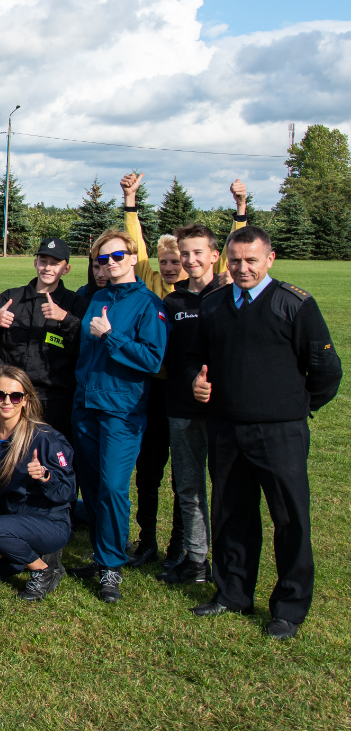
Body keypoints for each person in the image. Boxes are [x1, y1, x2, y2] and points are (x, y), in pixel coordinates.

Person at [186, 226, 341, 640]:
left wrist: (296, 407)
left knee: (289, 519)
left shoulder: (294, 304)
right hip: (226, 428)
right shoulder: (215, 303)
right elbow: (194, 358)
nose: (242, 268)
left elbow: (326, 369)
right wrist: (196, 383)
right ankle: (233, 593)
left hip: (279, 433)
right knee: (231, 514)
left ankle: (288, 609)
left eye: (251, 260)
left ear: (269, 259)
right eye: (235, 260)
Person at [120, 174, 248, 567]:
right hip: (165, 393)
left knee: (207, 483)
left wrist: (240, 211)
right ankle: (165, 546)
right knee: (166, 476)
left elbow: (231, 253)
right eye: (172, 260)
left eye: (187, 258)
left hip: (212, 398)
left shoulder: (225, 291)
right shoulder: (166, 295)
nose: (180, 264)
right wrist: (130, 202)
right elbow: (138, 249)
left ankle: (194, 550)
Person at [67, 229, 167, 603]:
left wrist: (112, 337)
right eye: (104, 259)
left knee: (112, 486)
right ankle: (99, 554)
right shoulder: (99, 298)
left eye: (118, 257)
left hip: (121, 411)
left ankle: (112, 564)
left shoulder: (147, 304)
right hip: (87, 406)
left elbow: (152, 359)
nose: (111, 265)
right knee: (91, 485)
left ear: (132, 257)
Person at [0, 367, 75, 602]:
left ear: (26, 400)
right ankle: (21, 552)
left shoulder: (45, 438)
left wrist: (46, 478)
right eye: (0, 395)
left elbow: (67, 492)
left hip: (49, 522)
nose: (6, 402)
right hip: (8, 525)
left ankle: (43, 570)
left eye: (15, 396)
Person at [156, 223, 228, 585]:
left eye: (198, 252)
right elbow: (171, 355)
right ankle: (196, 560)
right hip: (182, 405)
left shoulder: (231, 293)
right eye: (185, 253)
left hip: (225, 410)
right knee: (188, 486)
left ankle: (227, 564)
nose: (190, 259)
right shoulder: (174, 300)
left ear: (215, 255)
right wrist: (191, 383)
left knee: (227, 488)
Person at [0, 238, 85, 438]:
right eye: (43, 261)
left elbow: (87, 346)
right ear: (35, 263)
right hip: (11, 399)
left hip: (55, 402)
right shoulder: (12, 299)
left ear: (67, 268)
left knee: (50, 461)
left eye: (55, 263)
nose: (47, 268)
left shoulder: (74, 304)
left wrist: (66, 320)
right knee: (8, 458)